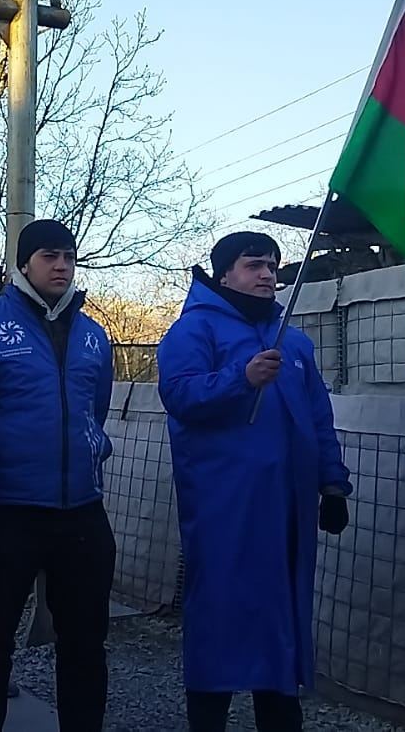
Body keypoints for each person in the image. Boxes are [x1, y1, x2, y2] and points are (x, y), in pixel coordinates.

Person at [156, 232, 353, 732]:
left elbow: (317, 416)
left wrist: (332, 484)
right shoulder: (193, 331)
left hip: (288, 511)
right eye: (254, 265)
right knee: (220, 617)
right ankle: (208, 718)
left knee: (281, 620)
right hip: (226, 509)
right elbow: (179, 396)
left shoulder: (295, 340)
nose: (267, 275)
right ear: (224, 274)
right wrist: (240, 378)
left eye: (273, 265)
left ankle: (281, 717)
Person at [0, 219, 115, 732]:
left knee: (86, 646)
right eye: (49, 255)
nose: (62, 265)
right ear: (23, 264)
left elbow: (97, 410)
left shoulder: (94, 336)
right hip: (6, 514)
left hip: (81, 513)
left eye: (68, 255)